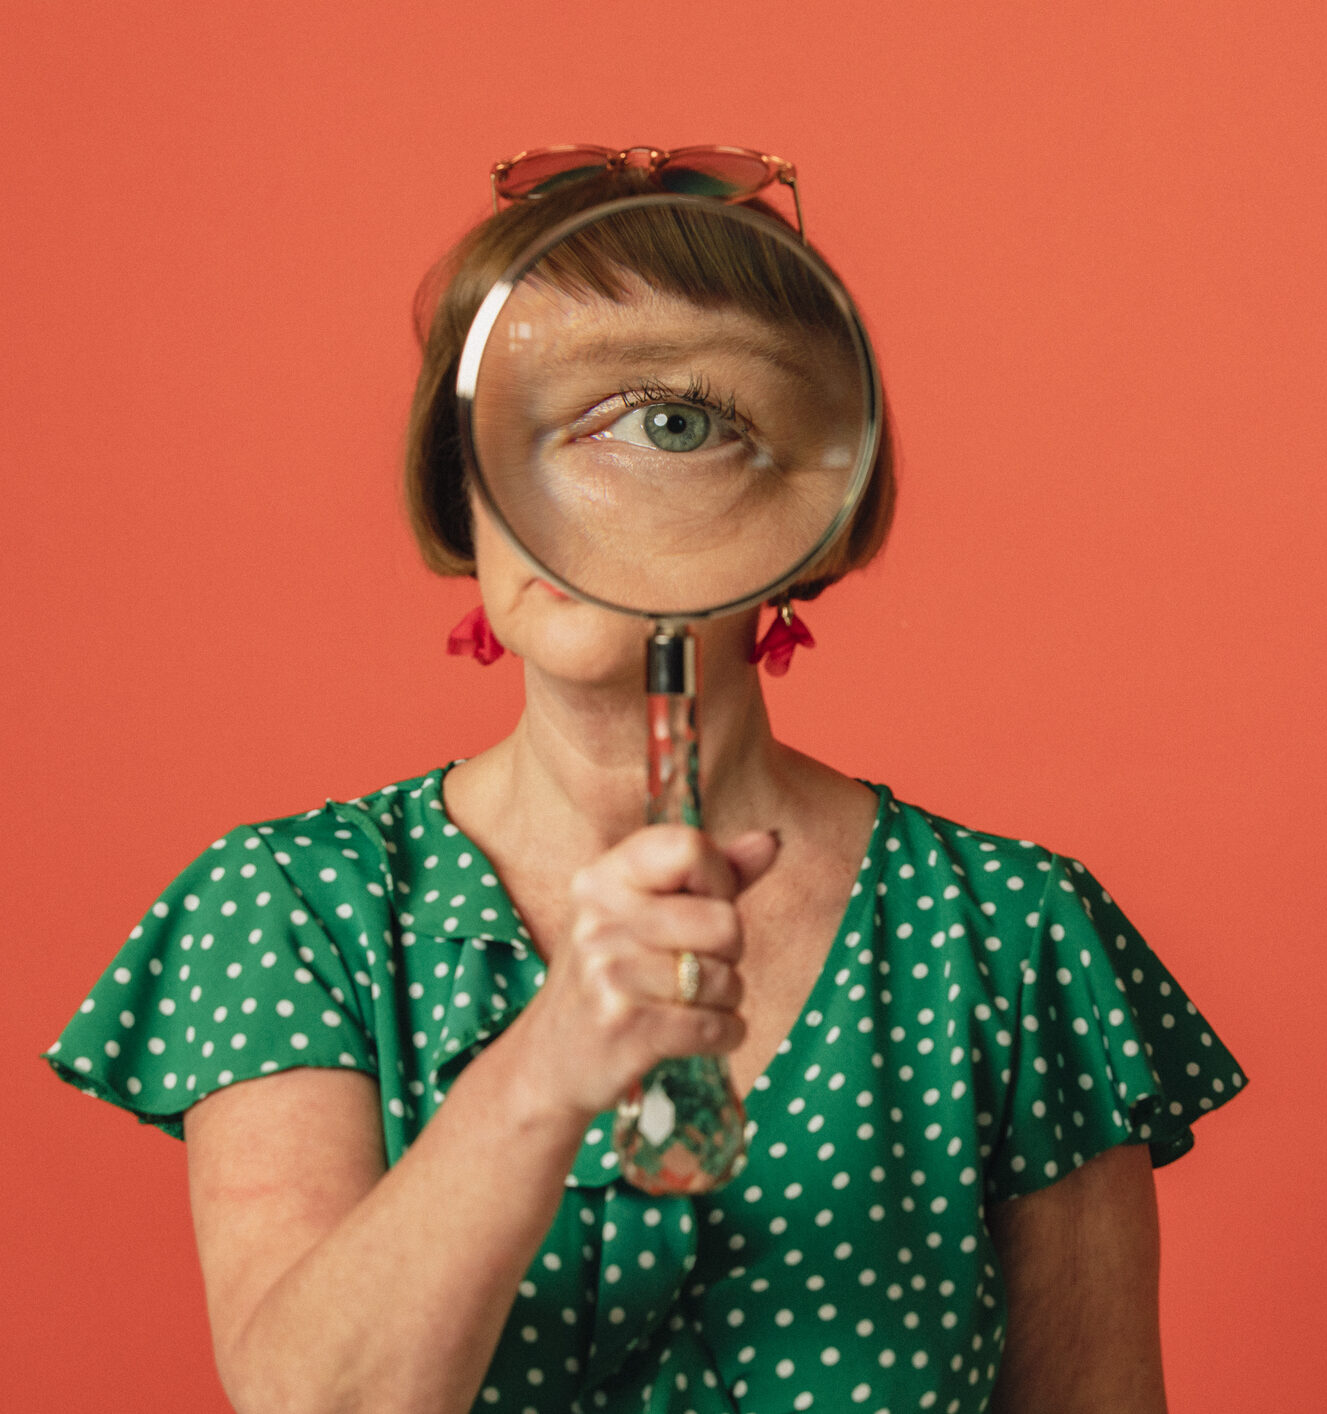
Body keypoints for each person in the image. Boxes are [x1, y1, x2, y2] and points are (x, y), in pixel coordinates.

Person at [45, 145, 1246, 1414]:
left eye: (669, 421)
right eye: (501, 421)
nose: (552, 492)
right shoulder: (291, 909)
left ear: (816, 503)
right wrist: (549, 1062)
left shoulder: (1010, 937)